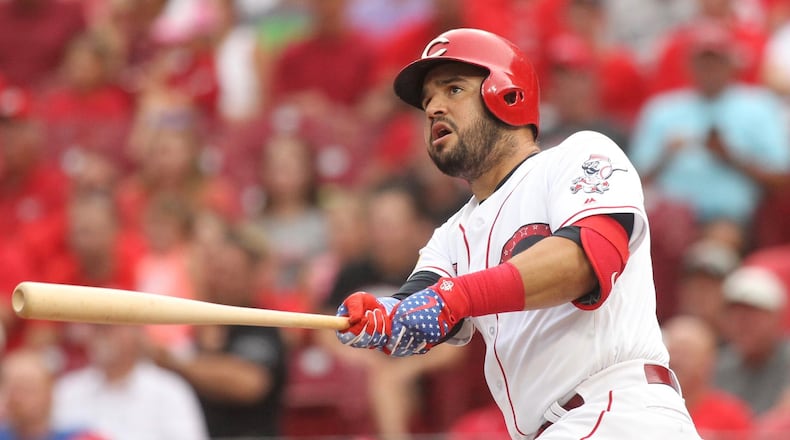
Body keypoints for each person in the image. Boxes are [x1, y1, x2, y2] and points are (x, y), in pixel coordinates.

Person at [333, 28, 702, 439]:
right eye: (427, 102)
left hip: (618, 411)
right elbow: (418, 307)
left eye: (453, 90)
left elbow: (586, 260)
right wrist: (379, 317)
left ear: (507, 94)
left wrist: (454, 298)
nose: (434, 107)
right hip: (557, 427)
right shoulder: (451, 236)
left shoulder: (579, 156)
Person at [51, 324, 208, 440]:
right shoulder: (67, 390)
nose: (102, 335)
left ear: (137, 334)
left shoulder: (169, 391)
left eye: (110, 327)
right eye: (96, 328)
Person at [662, 315, 754, 439]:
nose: (675, 361)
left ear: (707, 363)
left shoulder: (730, 416)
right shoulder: (648, 408)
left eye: (684, 354)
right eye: (670, 353)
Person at [0, 349, 103, 440]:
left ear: (49, 393)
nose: (16, 398)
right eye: (11, 389)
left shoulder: (81, 437)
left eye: (26, 388)